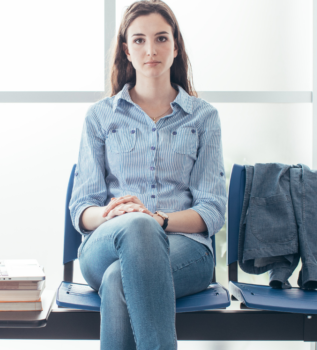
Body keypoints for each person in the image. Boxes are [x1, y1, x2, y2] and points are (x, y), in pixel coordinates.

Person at [68, 1, 227, 349]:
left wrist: (159, 219)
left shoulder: (203, 118)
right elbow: (81, 207)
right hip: (106, 244)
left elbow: (212, 210)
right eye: (139, 40)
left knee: (119, 280)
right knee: (136, 227)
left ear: (175, 46)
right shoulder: (100, 117)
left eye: (160, 38)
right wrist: (111, 214)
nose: (150, 50)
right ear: (126, 49)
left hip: (188, 250)